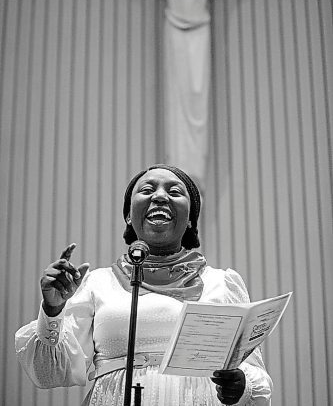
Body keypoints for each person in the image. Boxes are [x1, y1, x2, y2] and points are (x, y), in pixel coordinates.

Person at [63, 0, 303, 189]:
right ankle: (179, 168)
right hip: (174, 30)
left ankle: (194, 172)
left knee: (197, 95)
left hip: (200, 30)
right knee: (176, 98)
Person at [16, 164, 273, 405]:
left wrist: (241, 385)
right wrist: (53, 310)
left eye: (174, 192)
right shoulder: (98, 282)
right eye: (147, 190)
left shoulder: (222, 283)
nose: (160, 197)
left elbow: (252, 371)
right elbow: (49, 373)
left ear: (192, 219)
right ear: (129, 215)